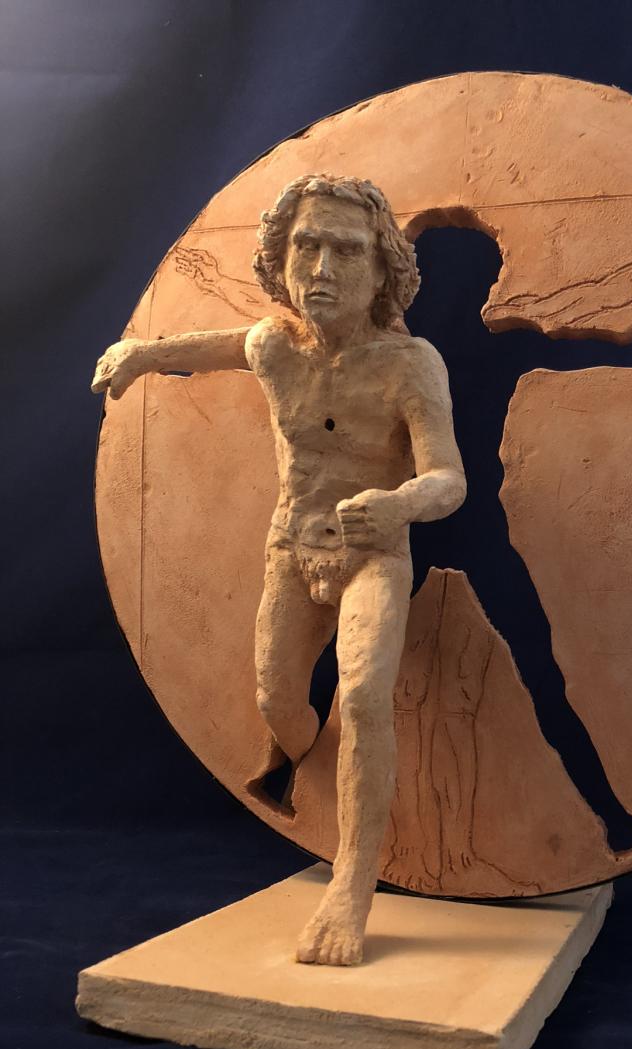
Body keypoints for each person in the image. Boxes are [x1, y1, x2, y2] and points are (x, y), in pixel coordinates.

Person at [91, 174, 467, 966]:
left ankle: (352, 886)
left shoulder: (410, 365)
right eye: (306, 246)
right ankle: (343, 801)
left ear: (381, 269)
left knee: (361, 695)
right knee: (277, 703)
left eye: (346, 251)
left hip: (370, 554)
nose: (321, 269)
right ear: (279, 258)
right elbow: (215, 346)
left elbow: (447, 479)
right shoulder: (273, 346)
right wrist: (139, 355)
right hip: (291, 548)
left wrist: (398, 505)